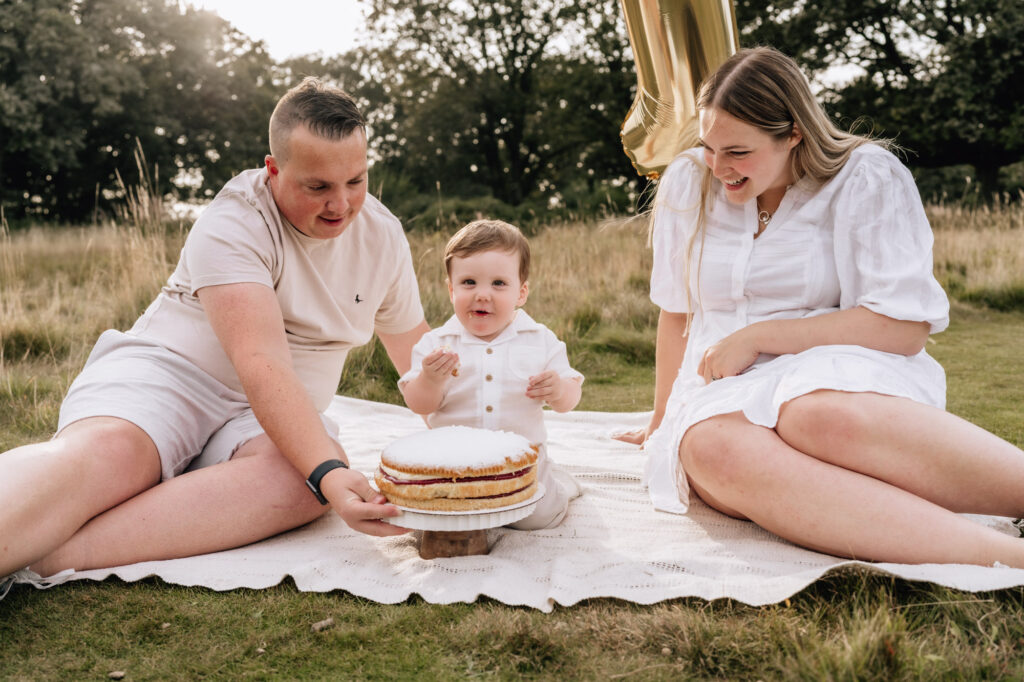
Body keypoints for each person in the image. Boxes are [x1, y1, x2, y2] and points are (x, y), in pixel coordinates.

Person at [0, 77, 429, 585]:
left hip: (261, 418)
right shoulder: (234, 221)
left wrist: (482, 442)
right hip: (170, 377)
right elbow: (260, 361)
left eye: (355, 181)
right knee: (110, 453)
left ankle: (50, 553)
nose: (341, 205)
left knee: (305, 482)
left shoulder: (382, 235)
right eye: (318, 187)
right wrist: (330, 474)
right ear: (273, 170)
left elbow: (419, 361)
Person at [614, 47, 1024, 567]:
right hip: (719, 388)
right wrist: (660, 415)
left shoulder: (865, 176)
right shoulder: (688, 181)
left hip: (840, 365)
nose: (718, 167)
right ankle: (1008, 558)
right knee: (712, 450)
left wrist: (760, 337)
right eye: (708, 146)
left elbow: (904, 328)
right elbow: (675, 312)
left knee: (818, 415)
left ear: (793, 134)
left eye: (737, 152)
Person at [399, 219, 584, 529]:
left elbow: (570, 398)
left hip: (520, 468)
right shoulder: (436, 345)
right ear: (451, 290)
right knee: (435, 522)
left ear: (521, 292)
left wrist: (559, 390)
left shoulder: (538, 339)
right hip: (453, 467)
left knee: (538, 519)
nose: (482, 294)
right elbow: (419, 405)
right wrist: (430, 380)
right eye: (469, 282)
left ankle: (557, 484)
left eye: (498, 283)